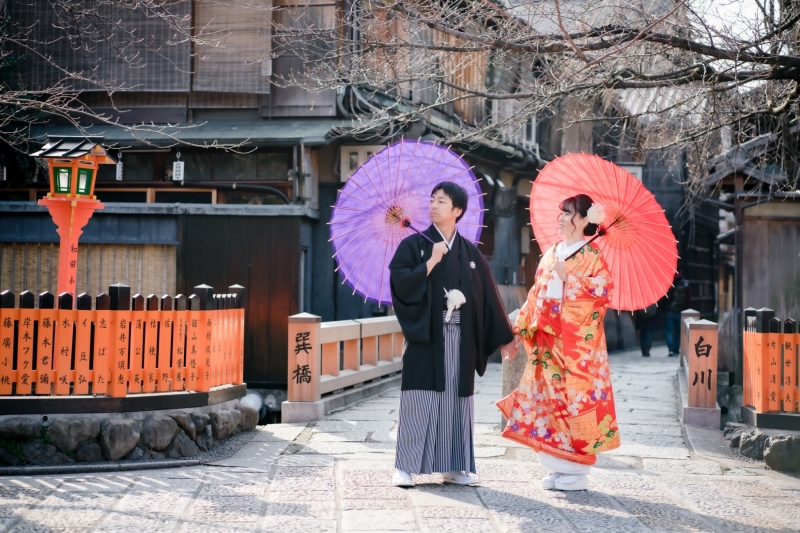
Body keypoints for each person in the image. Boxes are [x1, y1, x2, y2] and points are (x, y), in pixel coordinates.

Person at [389, 181, 514, 487]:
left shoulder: (470, 252)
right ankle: (405, 466)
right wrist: (430, 263)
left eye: (441, 201)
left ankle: (454, 466)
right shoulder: (413, 246)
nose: (433, 205)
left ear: (457, 211)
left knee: (456, 403)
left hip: (460, 339)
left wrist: (506, 337)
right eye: (432, 200)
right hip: (426, 336)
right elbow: (400, 283)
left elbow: (488, 297)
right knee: (419, 399)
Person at [497, 194, 620, 491]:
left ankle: (576, 471)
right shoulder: (552, 252)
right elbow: (536, 292)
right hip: (547, 341)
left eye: (567, 213)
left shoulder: (592, 257)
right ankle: (556, 464)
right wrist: (519, 327)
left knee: (572, 403)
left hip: (574, 349)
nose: (561, 217)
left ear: (583, 220)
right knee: (547, 403)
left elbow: (603, 293)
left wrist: (572, 281)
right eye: (561, 212)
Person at [664, 272, 690, 356]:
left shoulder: (669, 284)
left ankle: (671, 349)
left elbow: (664, 298)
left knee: (669, 331)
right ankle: (676, 349)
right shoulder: (685, 285)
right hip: (680, 311)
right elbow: (688, 299)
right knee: (679, 331)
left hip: (669, 311)